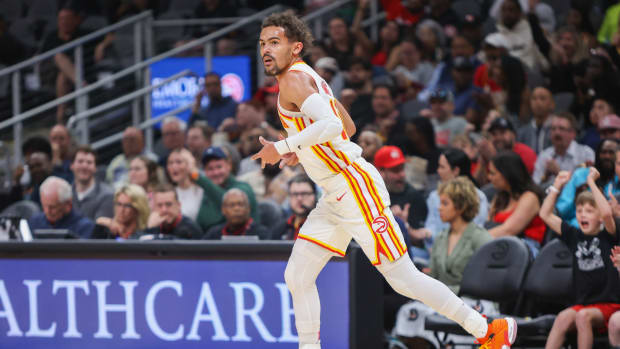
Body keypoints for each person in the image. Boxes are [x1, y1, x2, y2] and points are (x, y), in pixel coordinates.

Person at [251, 12, 516, 349]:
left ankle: (488, 330)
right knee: (297, 275)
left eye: (274, 42)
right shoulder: (309, 77)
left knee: (403, 278)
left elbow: (333, 126)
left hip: (353, 187)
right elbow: (347, 127)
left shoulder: (293, 80)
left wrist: (285, 145)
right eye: (262, 44)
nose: (266, 50)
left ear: (296, 47)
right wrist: (301, 150)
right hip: (335, 192)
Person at [393, 177, 495, 347]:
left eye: (445, 203)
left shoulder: (481, 238)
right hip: (444, 299)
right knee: (410, 310)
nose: (439, 208)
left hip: (474, 299)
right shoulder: (440, 238)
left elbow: (487, 283)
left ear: (461, 206)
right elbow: (434, 276)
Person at [540, 169, 620, 349]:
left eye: (589, 211)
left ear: (599, 217)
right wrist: (557, 186)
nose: (583, 214)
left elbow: (607, 214)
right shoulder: (574, 236)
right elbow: (544, 214)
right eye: (579, 210)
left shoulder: (609, 235)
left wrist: (591, 182)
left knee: (582, 317)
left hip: (610, 304)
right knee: (562, 318)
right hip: (584, 304)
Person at [487, 151, 545, 253]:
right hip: (500, 246)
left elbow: (509, 230)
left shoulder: (530, 197)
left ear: (507, 174)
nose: (489, 177)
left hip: (524, 250)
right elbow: (488, 224)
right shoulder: (500, 197)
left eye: (493, 173)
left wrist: (475, 241)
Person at [425, 148, 489, 240]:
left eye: (442, 167)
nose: (438, 171)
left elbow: (477, 230)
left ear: (455, 170)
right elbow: (430, 227)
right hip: (434, 247)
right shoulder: (434, 196)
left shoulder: (478, 197)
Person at [532, 112, 594, 188]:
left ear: (573, 133)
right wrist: (545, 176)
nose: (557, 133)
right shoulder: (544, 155)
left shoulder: (585, 153)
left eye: (562, 129)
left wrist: (558, 172)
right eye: (553, 129)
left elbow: (585, 187)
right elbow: (534, 187)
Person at [202, 146, 259, 223]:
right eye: (210, 169)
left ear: (229, 166)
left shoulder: (243, 187)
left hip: (247, 234)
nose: (215, 172)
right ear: (204, 171)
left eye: (219, 167)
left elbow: (228, 200)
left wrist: (198, 178)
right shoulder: (205, 192)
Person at [28, 176, 94, 239]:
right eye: (44, 205)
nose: (47, 211)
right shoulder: (34, 222)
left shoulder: (84, 227)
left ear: (68, 204)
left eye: (53, 207)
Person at [70, 146, 114, 221]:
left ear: (95, 168)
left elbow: (99, 229)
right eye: (80, 161)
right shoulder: (65, 193)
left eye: (89, 162)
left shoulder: (108, 195)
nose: (84, 166)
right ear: (72, 166)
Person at [203, 188, 268, 240]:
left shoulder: (261, 233)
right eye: (231, 205)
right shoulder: (214, 234)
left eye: (241, 204)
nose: (236, 209)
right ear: (223, 210)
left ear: (248, 208)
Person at [271, 174, 318, 240]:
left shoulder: (324, 228)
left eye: (304, 193)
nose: (299, 198)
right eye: (295, 194)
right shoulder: (280, 229)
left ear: (315, 196)